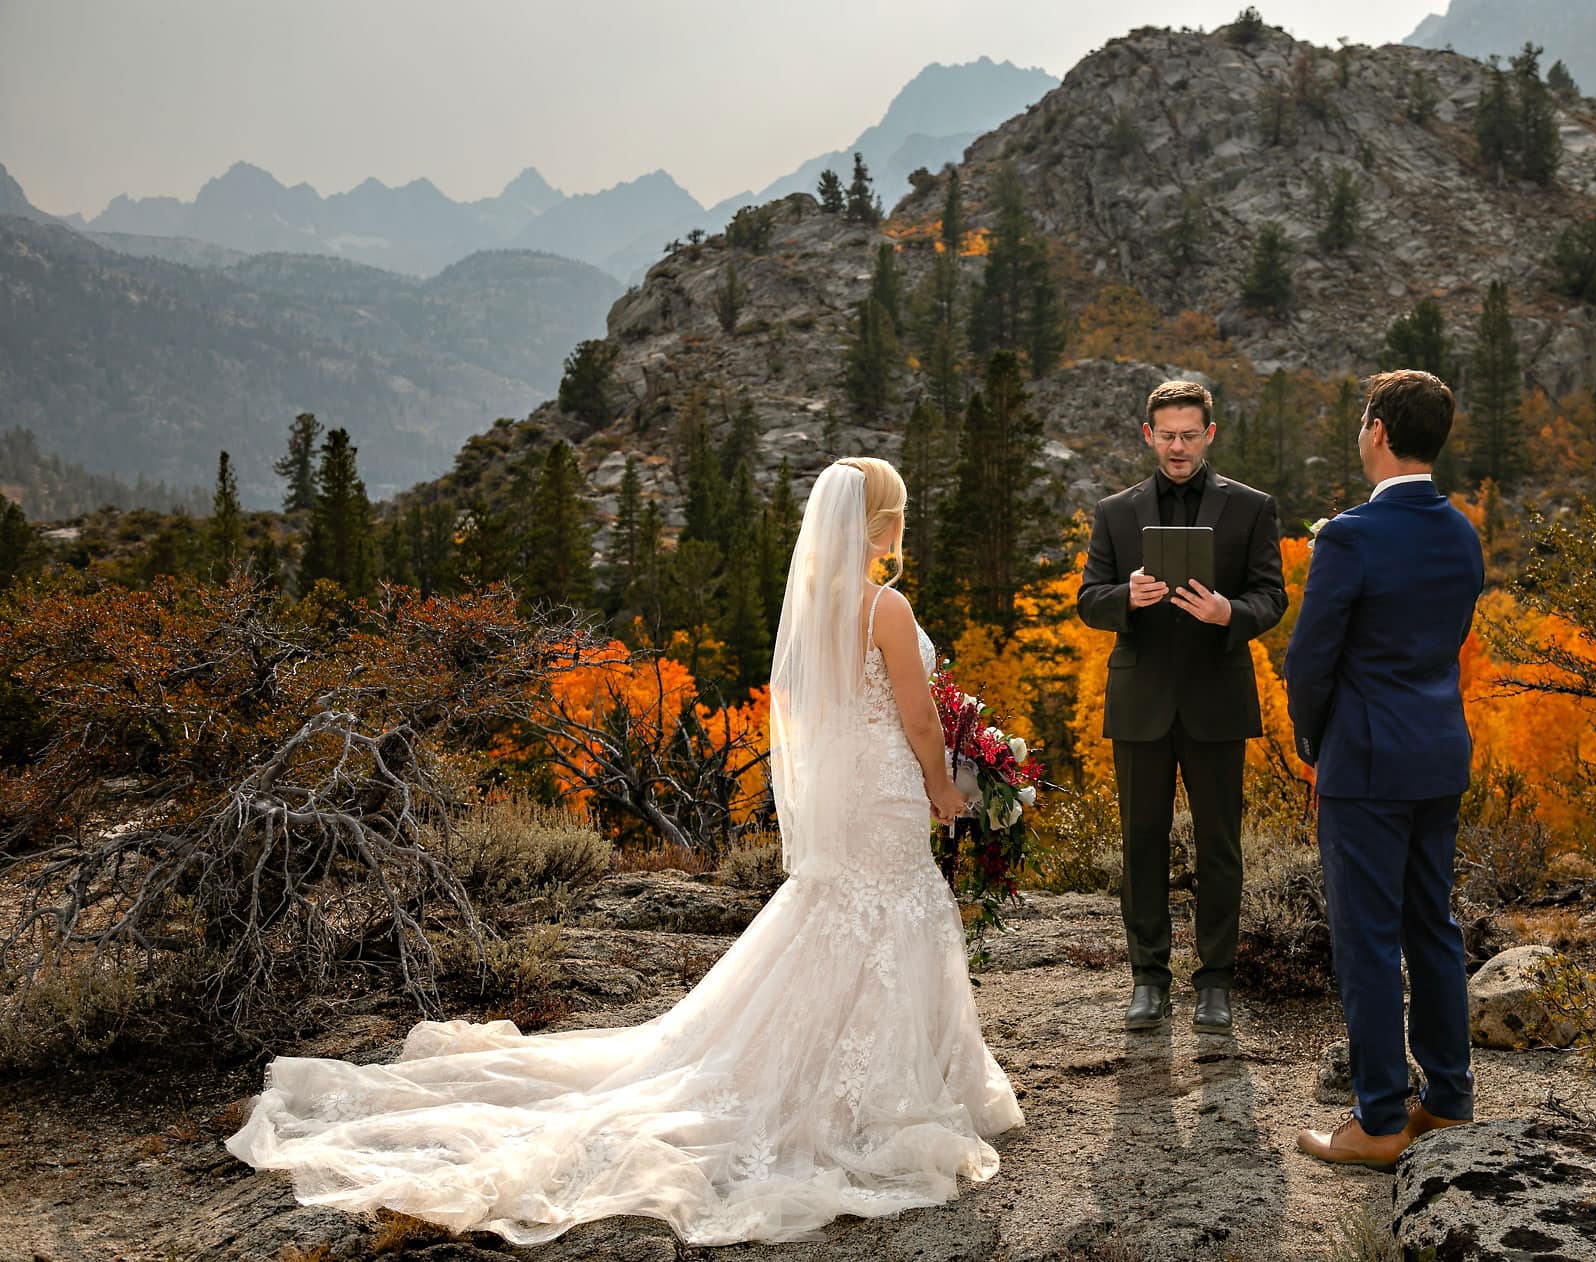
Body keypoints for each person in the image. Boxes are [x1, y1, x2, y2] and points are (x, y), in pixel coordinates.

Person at [227, 457, 1023, 1244]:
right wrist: (944, 788)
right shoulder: (885, 605)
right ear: (884, 523)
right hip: (882, 783)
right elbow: (919, 721)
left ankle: (859, 1071)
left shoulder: (817, 601)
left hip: (848, 782)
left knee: (842, 912)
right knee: (893, 907)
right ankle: (888, 1086)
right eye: (901, 514)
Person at [1284, 370, 1485, 1170]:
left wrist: (1311, 739)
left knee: (1366, 939)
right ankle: (1447, 1103)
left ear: (1375, 431)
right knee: (1431, 925)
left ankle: (1376, 1121)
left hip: (1365, 762)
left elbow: (1309, 660)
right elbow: (1451, 639)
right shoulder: (1463, 533)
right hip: (1439, 752)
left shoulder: (1349, 537)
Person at [1076, 379, 1288, 1035]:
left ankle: (1215, 984)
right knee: (1142, 844)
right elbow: (1088, 599)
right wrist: (1125, 599)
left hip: (1218, 698)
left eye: (1189, 434)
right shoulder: (1115, 512)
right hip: (1140, 698)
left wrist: (1231, 613)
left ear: (1210, 435)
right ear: (1148, 435)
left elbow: (1271, 597)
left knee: (1220, 847)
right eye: (1166, 434)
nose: (1177, 446)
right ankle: (1148, 981)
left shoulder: (1252, 508)